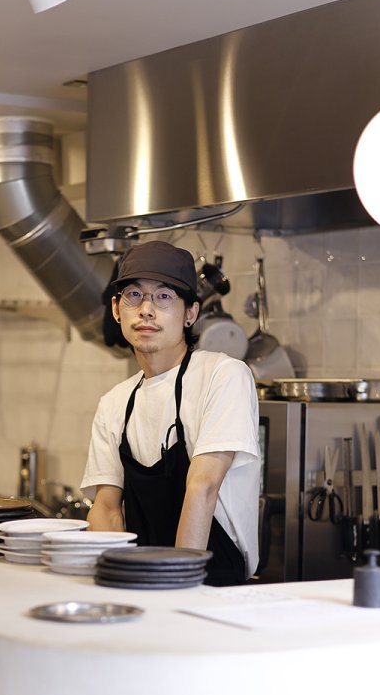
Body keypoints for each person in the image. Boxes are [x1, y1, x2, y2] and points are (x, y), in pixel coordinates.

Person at [81, 240, 261, 586]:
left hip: (207, 583)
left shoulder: (222, 376)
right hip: (139, 582)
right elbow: (106, 508)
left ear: (190, 313)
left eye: (164, 297)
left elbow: (203, 486)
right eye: (134, 295)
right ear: (117, 309)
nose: (146, 309)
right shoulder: (115, 402)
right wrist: (104, 580)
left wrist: (177, 583)